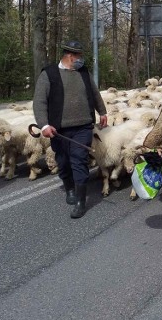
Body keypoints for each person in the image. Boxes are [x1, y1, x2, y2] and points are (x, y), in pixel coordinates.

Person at [33, 41, 108, 219]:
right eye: (79, 56)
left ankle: (81, 202)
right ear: (70, 56)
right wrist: (44, 125)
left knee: (79, 160)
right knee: (63, 162)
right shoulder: (49, 74)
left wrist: (102, 111)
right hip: (59, 129)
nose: (81, 60)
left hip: (83, 126)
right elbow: (39, 101)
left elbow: (94, 93)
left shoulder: (83, 72)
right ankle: (69, 188)